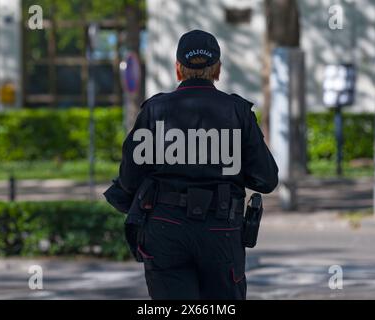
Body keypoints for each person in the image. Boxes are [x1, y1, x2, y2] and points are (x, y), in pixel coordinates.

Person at [105, 29, 278, 300]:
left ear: (178, 69)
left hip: (165, 228)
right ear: (217, 69)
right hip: (221, 230)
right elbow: (266, 180)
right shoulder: (238, 112)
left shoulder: (154, 110)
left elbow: (128, 178)